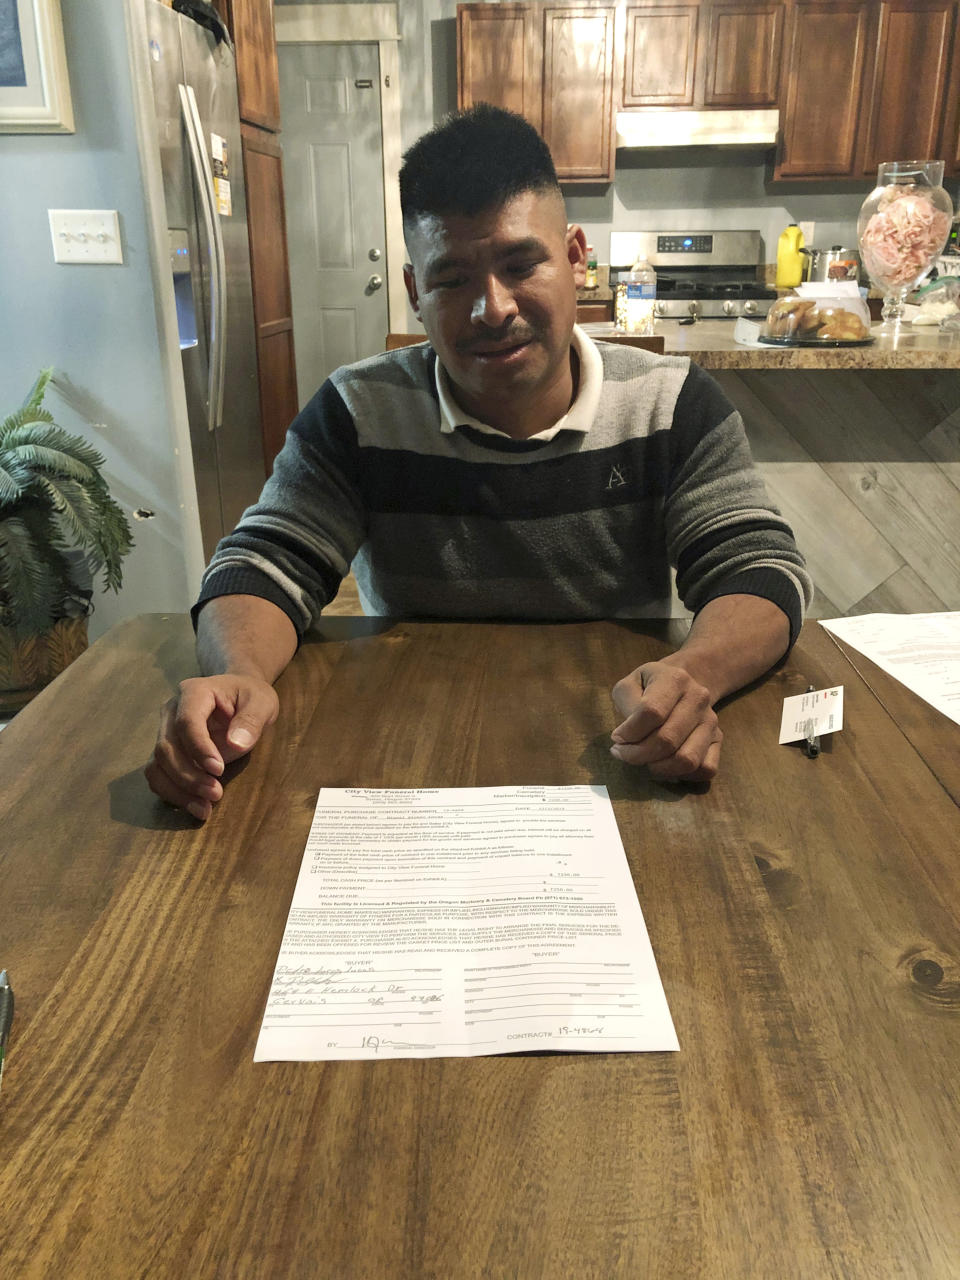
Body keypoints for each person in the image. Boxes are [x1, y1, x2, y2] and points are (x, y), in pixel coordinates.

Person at [145, 105, 812, 821]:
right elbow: (263, 563)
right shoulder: (357, 412)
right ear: (413, 291)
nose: (490, 309)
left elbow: (759, 567)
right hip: (406, 766)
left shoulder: (672, 405)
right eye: (452, 278)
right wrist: (240, 675)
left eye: (521, 264)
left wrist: (692, 675)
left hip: (623, 761)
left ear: (576, 258)